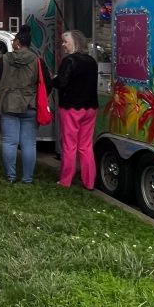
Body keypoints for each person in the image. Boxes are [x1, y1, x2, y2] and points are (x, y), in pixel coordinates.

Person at [0, 25, 51, 184]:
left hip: (9, 104)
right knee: (29, 143)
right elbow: (48, 84)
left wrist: (2, 93)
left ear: (17, 42)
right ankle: (27, 179)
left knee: (9, 141)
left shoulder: (5, 59)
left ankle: (10, 177)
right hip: (30, 105)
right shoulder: (38, 61)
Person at [52, 29, 100, 190]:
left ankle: (66, 180)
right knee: (86, 146)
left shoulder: (69, 61)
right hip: (91, 107)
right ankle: (89, 182)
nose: (63, 45)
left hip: (71, 107)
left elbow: (62, 82)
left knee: (69, 145)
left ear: (74, 43)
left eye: (66, 42)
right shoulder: (92, 61)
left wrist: (54, 80)